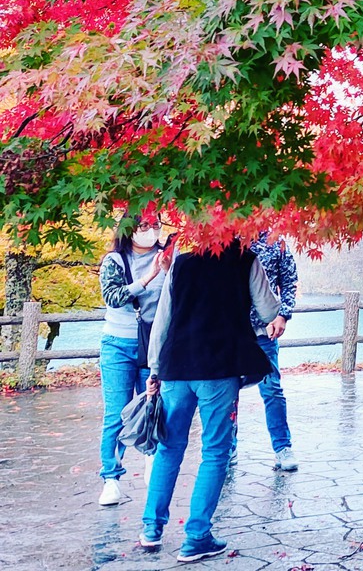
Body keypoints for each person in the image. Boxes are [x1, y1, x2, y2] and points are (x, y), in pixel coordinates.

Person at [140, 239, 279, 563]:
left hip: (175, 367)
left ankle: (151, 529)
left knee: (169, 447)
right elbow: (269, 309)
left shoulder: (182, 262)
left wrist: (155, 369)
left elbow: (163, 319)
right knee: (215, 451)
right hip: (219, 369)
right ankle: (196, 536)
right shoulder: (245, 259)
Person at [96, 212, 168, 507]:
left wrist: (166, 268)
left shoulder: (168, 258)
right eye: (143, 226)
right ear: (129, 229)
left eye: (155, 225)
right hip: (118, 344)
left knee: (153, 405)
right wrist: (146, 278)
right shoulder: (114, 260)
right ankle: (111, 477)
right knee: (116, 413)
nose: (149, 231)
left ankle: (153, 460)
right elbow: (112, 297)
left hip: (153, 345)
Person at [228, 232, 299, 471]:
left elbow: (289, 282)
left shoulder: (276, 241)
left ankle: (282, 447)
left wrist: (283, 315)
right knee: (227, 393)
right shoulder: (225, 237)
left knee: (272, 390)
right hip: (230, 330)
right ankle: (228, 447)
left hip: (264, 331)